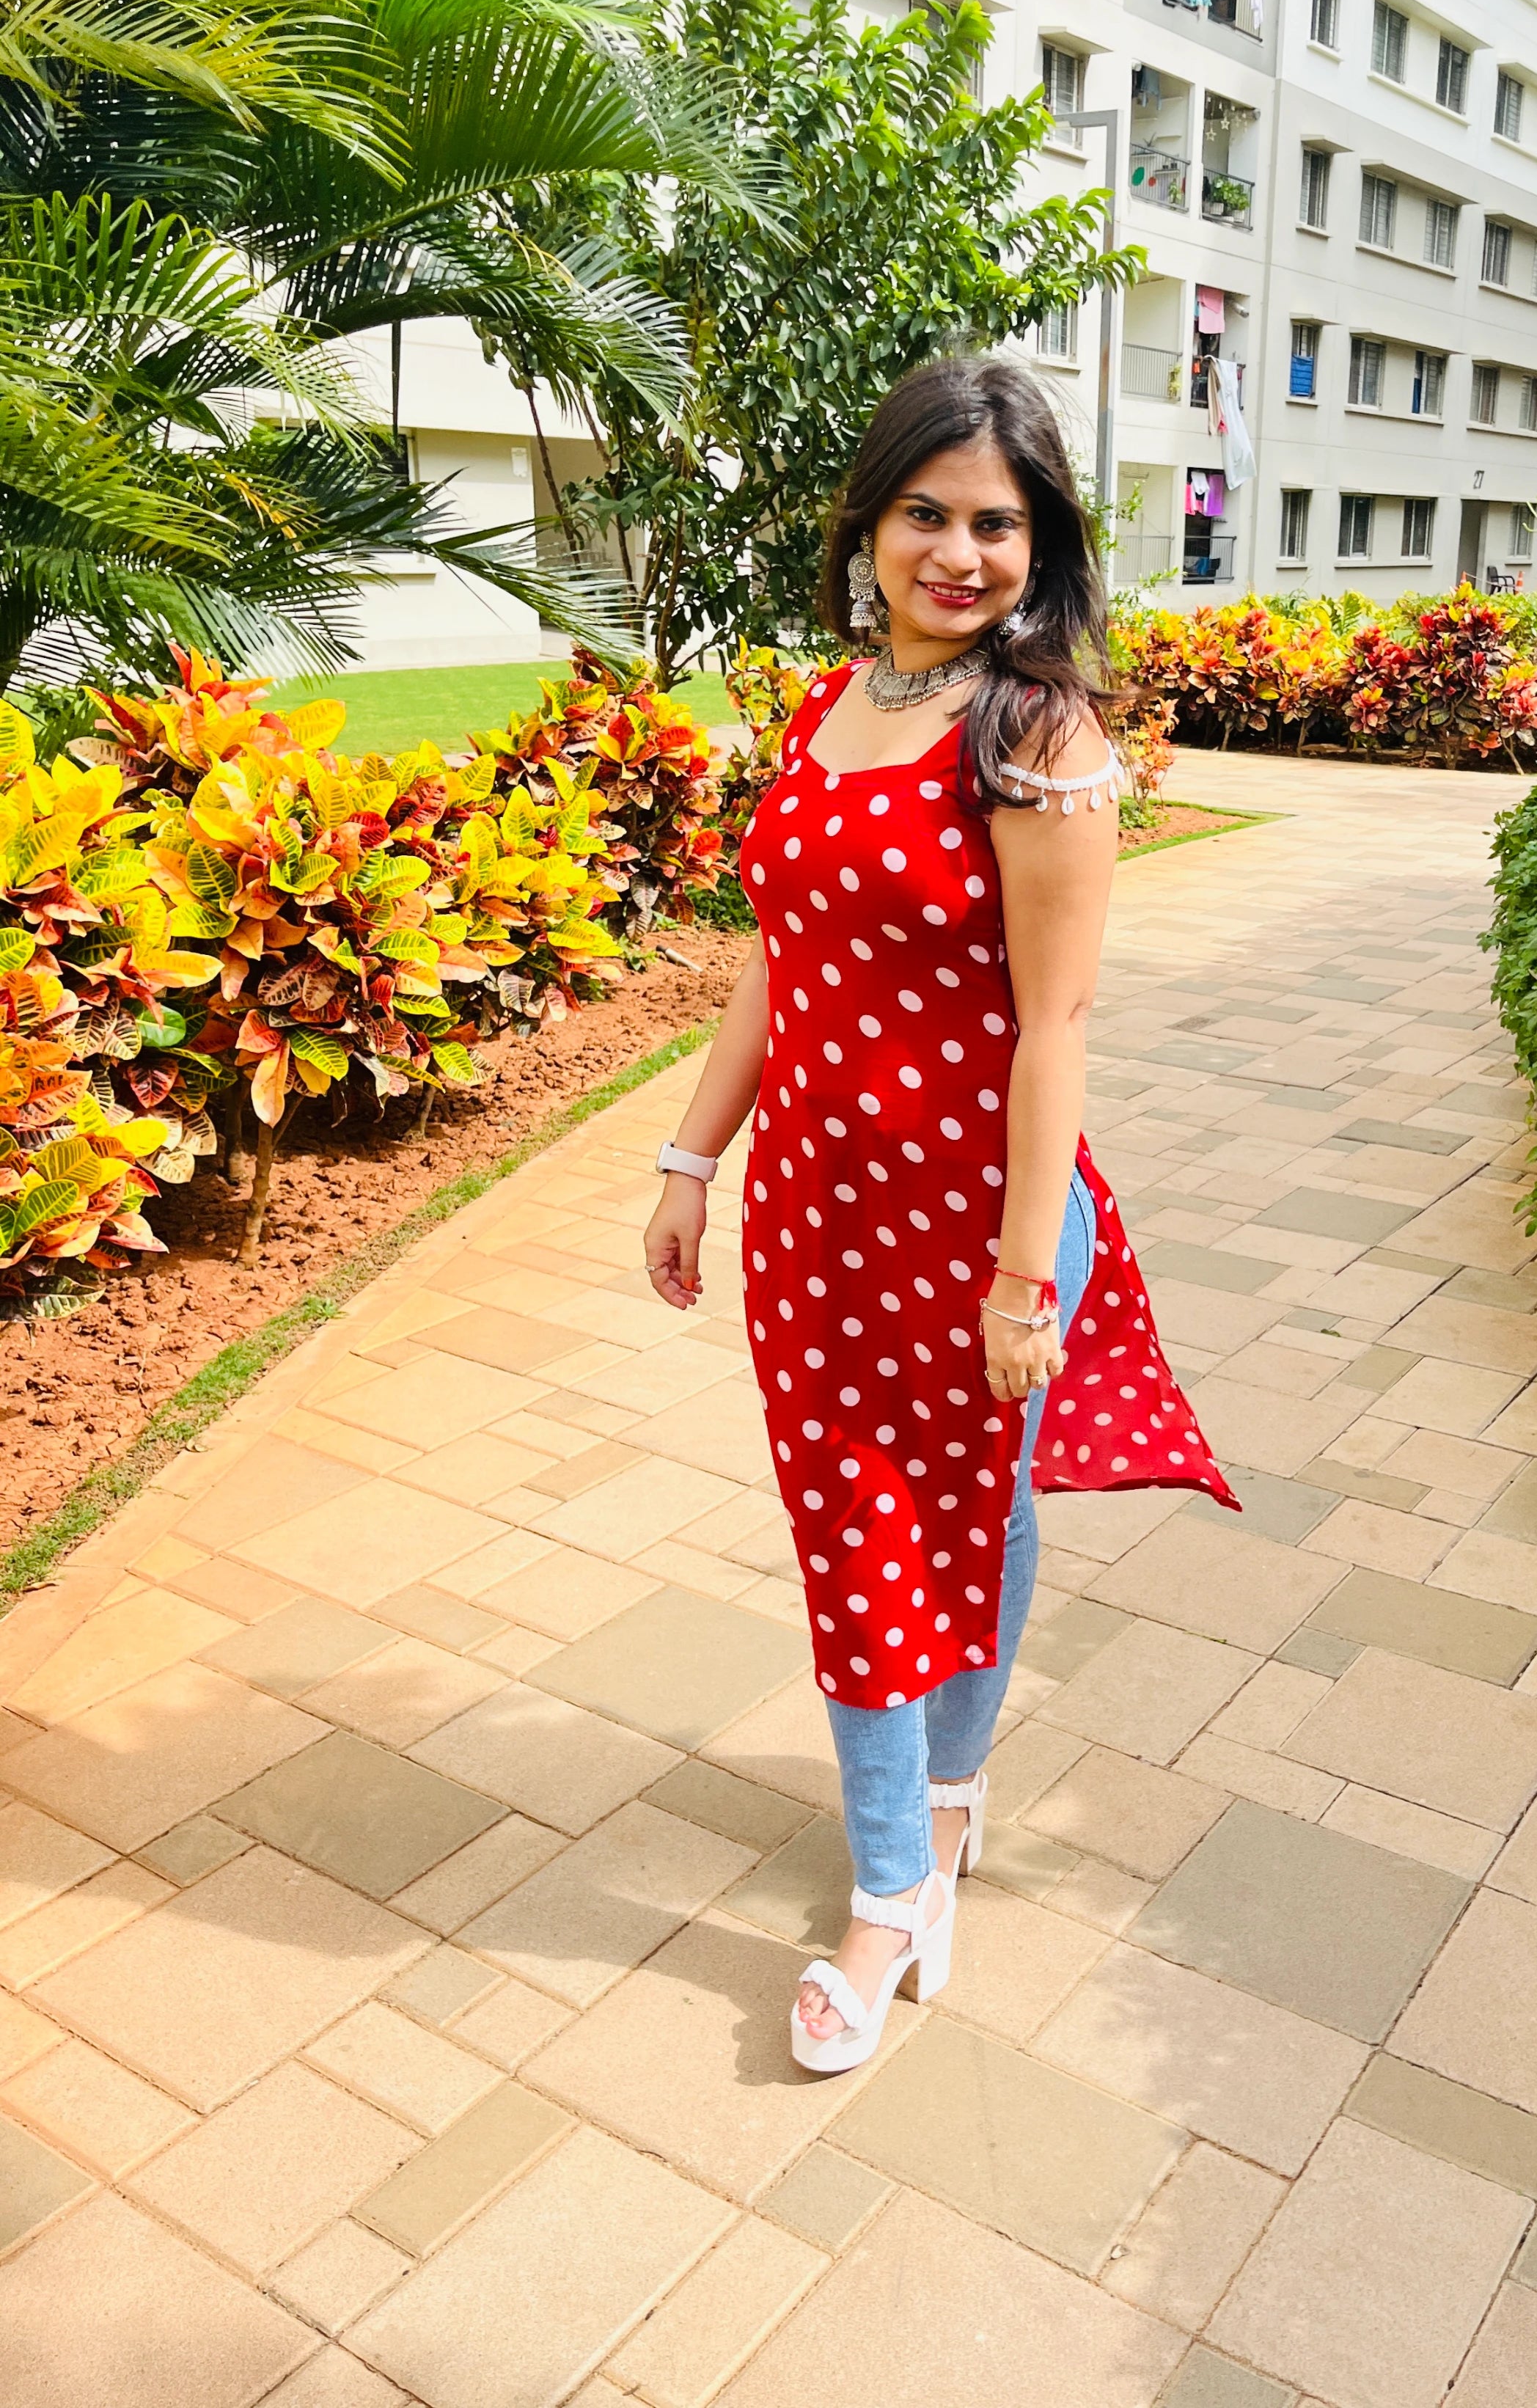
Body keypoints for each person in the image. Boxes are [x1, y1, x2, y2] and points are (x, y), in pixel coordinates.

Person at [642, 354, 1236, 2072]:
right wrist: (693, 1164)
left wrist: (1014, 1280)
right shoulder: (835, 706)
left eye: (995, 521)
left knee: (969, 1509)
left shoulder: (1035, 735)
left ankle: (903, 1865)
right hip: (817, 1221)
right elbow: (779, 966)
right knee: (857, 1523)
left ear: (1037, 543)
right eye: (927, 514)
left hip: (977, 1215)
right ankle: (925, 1825)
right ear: (872, 523)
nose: (957, 552)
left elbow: (1056, 1024)